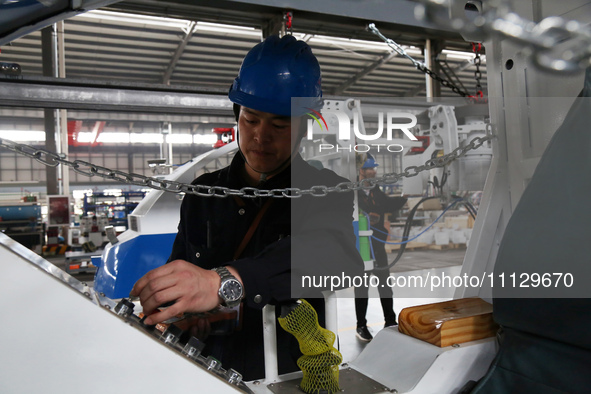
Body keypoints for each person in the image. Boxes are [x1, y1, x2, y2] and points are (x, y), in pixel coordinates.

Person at [130, 34, 363, 380]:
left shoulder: (326, 190)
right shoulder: (204, 192)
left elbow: (335, 254)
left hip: (286, 373)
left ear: (302, 128)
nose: (260, 136)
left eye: (280, 125)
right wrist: (183, 315)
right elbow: (183, 269)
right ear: (237, 114)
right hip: (204, 371)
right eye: (251, 120)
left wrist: (224, 281)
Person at [354, 153, 407, 342]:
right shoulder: (353, 193)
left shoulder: (376, 191)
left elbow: (388, 204)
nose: (373, 172)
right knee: (361, 288)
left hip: (377, 246)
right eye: (369, 168)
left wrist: (405, 198)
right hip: (361, 249)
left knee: (385, 286)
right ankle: (361, 325)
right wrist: (368, 215)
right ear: (360, 171)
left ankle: (390, 321)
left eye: (374, 168)